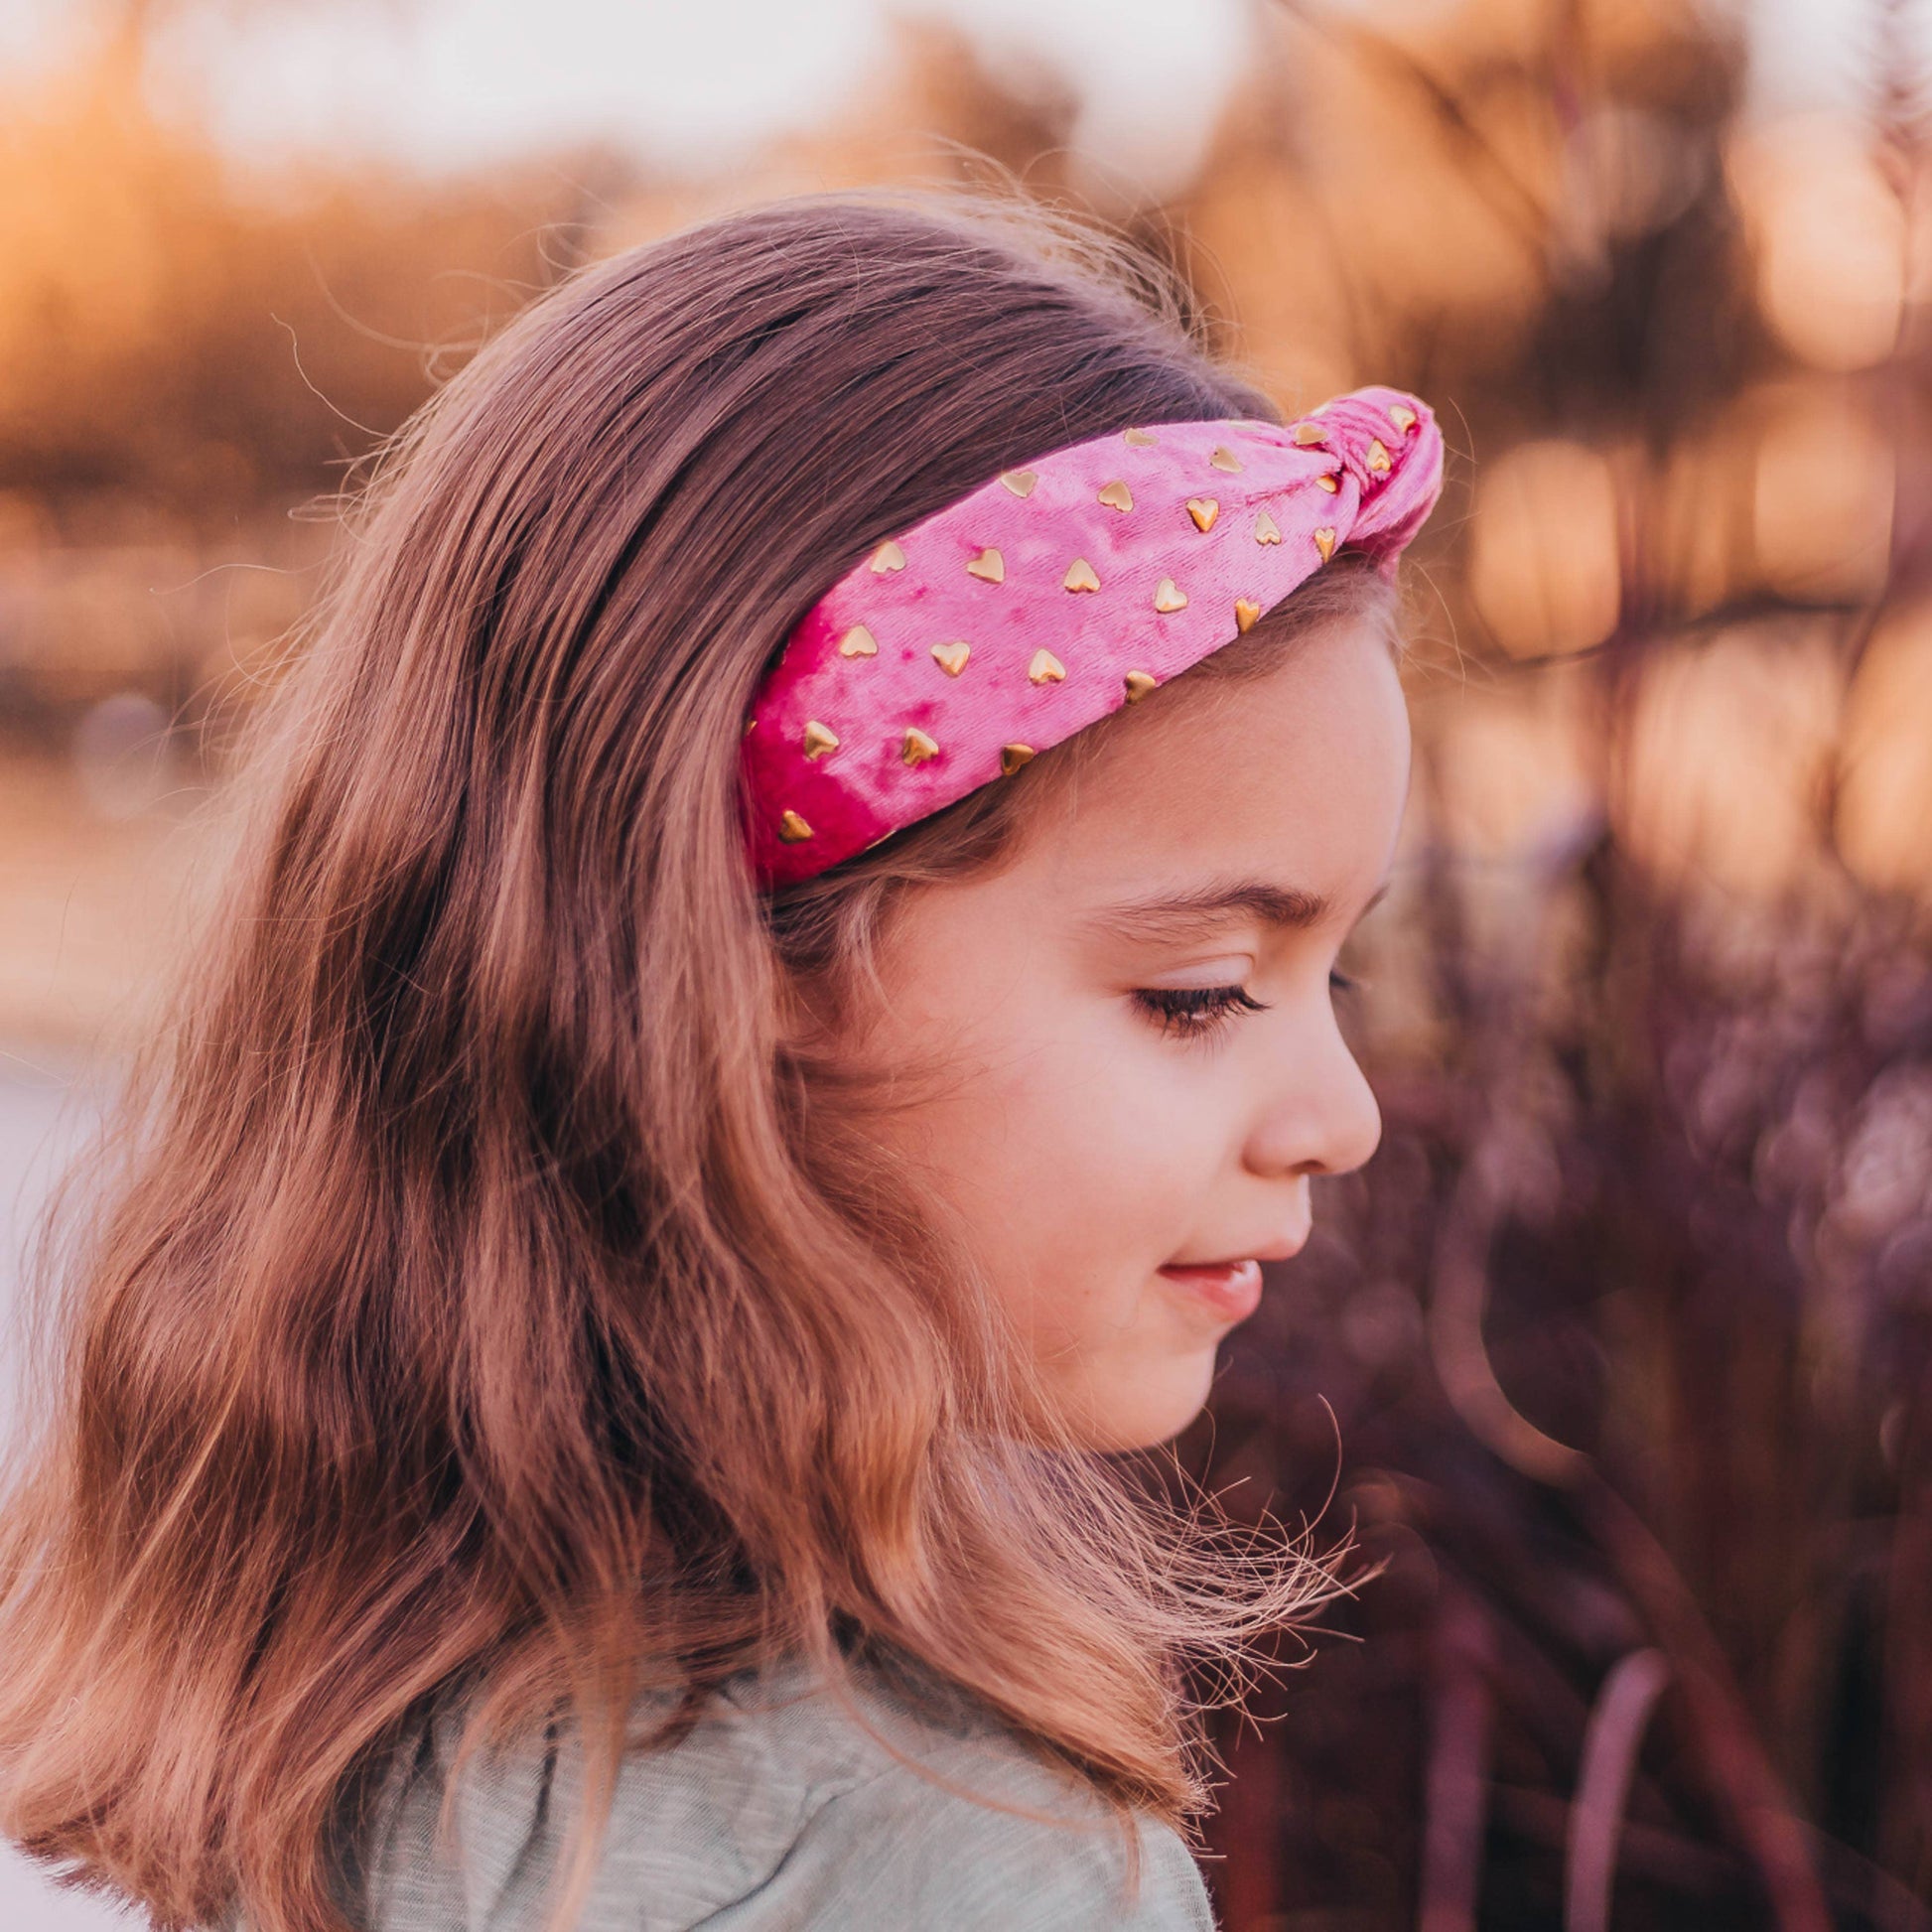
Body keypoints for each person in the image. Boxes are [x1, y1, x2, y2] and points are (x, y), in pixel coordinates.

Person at [0, 187, 1443, 1931]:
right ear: (731, 955)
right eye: (1201, 991)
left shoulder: (171, 1667)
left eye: (1335, 968)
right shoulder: (965, 1852)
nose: (1339, 1116)